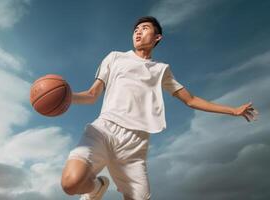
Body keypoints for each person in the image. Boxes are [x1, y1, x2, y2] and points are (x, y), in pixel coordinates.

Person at [60, 16, 259, 200]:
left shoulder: (161, 70)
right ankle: (96, 188)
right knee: (70, 183)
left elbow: (190, 100)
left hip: (135, 143)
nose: (138, 32)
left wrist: (233, 110)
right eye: (136, 29)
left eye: (144, 28)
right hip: (104, 129)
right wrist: (66, 97)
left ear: (157, 37)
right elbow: (92, 95)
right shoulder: (115, 58)